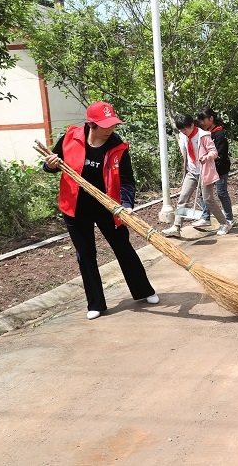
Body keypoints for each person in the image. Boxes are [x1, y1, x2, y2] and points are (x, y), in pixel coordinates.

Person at [42, 101, 159, 320]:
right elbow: (51, 165)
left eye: (112, 125)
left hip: (108, 206)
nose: (109, 130)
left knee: (123, 247)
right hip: (75, 208)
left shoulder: (117, 146)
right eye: (105, 126)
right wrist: (50, 164)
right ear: (91, 124)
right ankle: (96, 303)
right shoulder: (70, 138)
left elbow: (127, 181)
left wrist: (126, 205)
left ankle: (144, 291)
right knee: (85, 255)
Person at [162, 114, 232, 238]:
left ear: (192, 125)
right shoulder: (184, 137)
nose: (184, 132)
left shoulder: (203, 136)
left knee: (208, 199)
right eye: (181, 130)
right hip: (191, 172)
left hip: (205, 171)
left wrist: (206, 157)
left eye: (185, 129)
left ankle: (225, 223)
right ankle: (176, 227)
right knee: (183, 198)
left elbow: (214, 152)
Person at [192, 108, 233, 231]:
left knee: (221, 193)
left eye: (204, 120)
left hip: (220, 170)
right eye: (201, 121)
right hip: (207, 170)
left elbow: (221, 154)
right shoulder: (205, 134)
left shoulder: (219, 134)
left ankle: (229, 218)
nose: (202, 123)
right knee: (204, 194)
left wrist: (211, 163)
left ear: (211, 118)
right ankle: (206, 217)